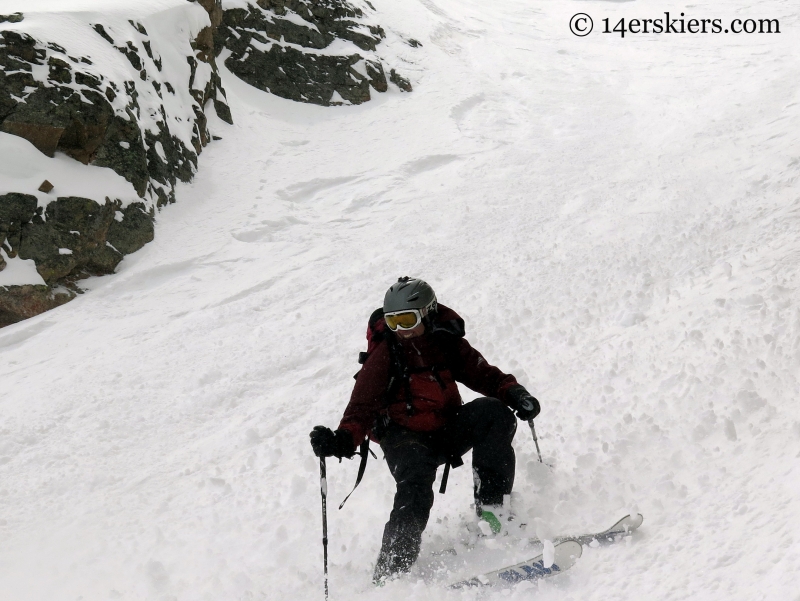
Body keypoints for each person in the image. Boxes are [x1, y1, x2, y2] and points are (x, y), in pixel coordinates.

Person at [309, 277, 540, 583]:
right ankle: (391, 573)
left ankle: (492, 514)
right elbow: (361, 406)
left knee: (495, 413)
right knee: (415, 484)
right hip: (404, 438)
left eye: (407, 319)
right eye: (393, 322)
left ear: (428, 312)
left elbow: (481, 373)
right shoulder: (387, 353)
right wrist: (341, 439)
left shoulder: (445, 341)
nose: (401, 329)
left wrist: (513, 393)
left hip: (445, 430)